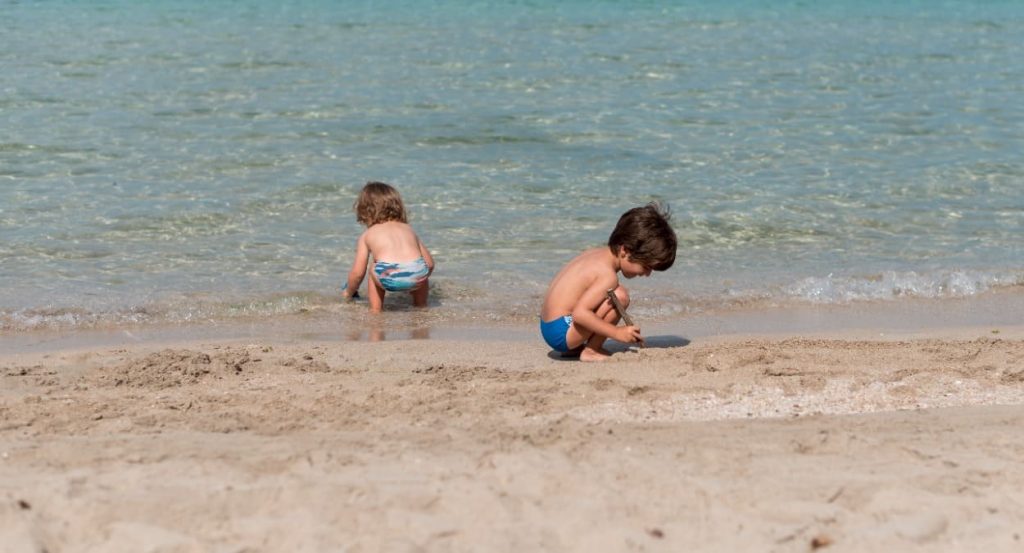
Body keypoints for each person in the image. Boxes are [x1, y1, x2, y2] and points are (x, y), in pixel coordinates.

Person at [539, 203, 676, 361]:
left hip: (549, 325)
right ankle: (591, 350)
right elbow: (579, 314)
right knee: (620, 296)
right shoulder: (607, 276)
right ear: (625, 251)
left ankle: (575, 348)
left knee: (609, 295)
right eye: (646, 266)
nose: (647, 274)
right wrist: (617, 333)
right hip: (560, 334)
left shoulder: (594, 254)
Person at [341, 182, 434, 312]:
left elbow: (357, 273)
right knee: (418, 264)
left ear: (365, 210)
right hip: (418, 277)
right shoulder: (408, 229)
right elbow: (429, 264)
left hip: (388, 278)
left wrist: (348, 293)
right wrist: (413, 280)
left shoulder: (367, 235)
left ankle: (376, 312)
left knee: (374, 268)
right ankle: (420, 305)